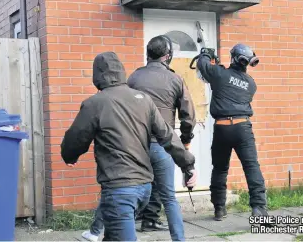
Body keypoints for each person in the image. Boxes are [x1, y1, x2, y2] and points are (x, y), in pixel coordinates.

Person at [61, 51, 197, 241]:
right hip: (144, 189)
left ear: (97, 76)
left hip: (120, 190)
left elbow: (74, 140)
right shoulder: (144, 100)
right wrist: (188, 166)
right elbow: (168, 136)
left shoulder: (95, 103)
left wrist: (70, 156)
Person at [127, 35, 196, 241]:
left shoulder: (134, 78)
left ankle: (135, 229)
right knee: (169, 197)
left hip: (135, 146)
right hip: (163, 145)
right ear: (168, 56)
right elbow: (188, 116)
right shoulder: (175, 79)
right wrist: (184, 142)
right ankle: (179, 239)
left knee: (131, 194)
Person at [196, 44, 269, 221]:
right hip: (243, 127)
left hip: (222, 128)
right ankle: (259, 208)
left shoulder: (219, 74)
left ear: (233, 58)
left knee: (220, 169)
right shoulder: (251, 84)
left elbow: (202, 65)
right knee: (252, 167)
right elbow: (233, 83)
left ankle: (219, 209)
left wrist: (206, 53)